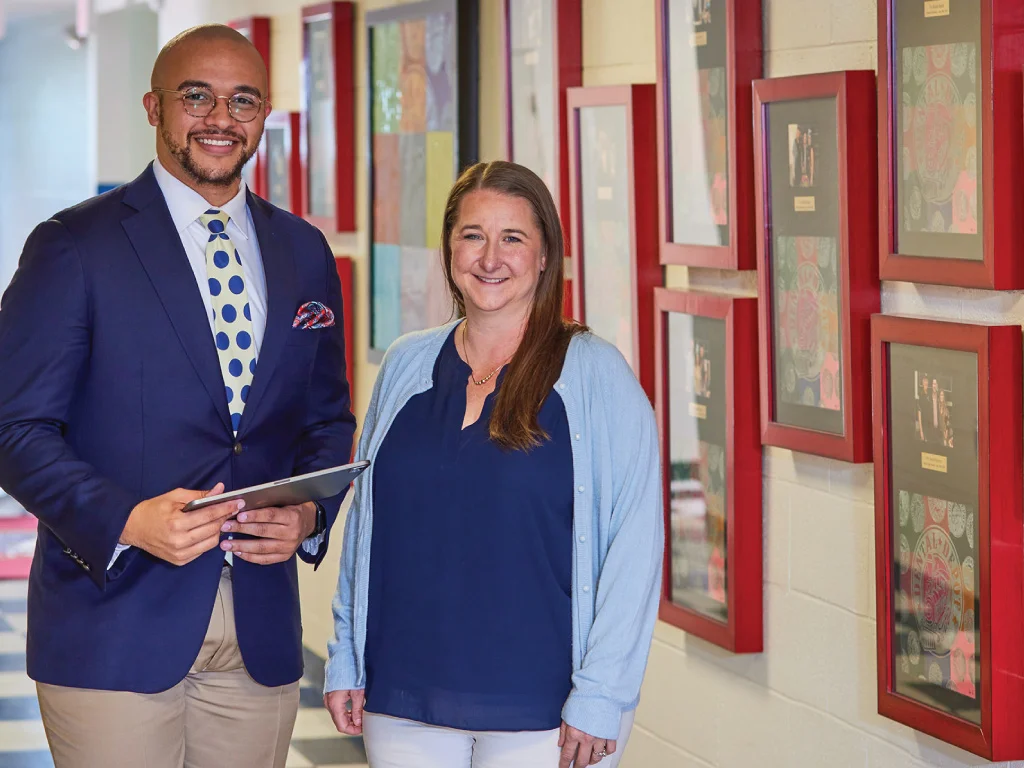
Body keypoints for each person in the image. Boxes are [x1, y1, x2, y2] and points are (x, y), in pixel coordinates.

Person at [0, 24, 355, 768]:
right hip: (113, 621)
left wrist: (309, 514)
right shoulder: (73, 247)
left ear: (264, 115)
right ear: (153, 107)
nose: (221, 118)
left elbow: (326, 419)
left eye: (243, 100)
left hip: (259, 627)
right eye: (196, 97)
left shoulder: (303, 252)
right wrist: (126, 520)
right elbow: (16, 427)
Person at [323, 161, 663, 767]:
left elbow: (635, 548)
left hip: (543, 709)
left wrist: (603, 695)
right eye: (472, 235)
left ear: (543, 257)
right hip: (402, 691)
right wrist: (346, 652)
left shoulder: (594, 375)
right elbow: (366, 529)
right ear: (450, 247)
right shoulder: (405, 365)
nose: (490, 257)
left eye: (513, 239)